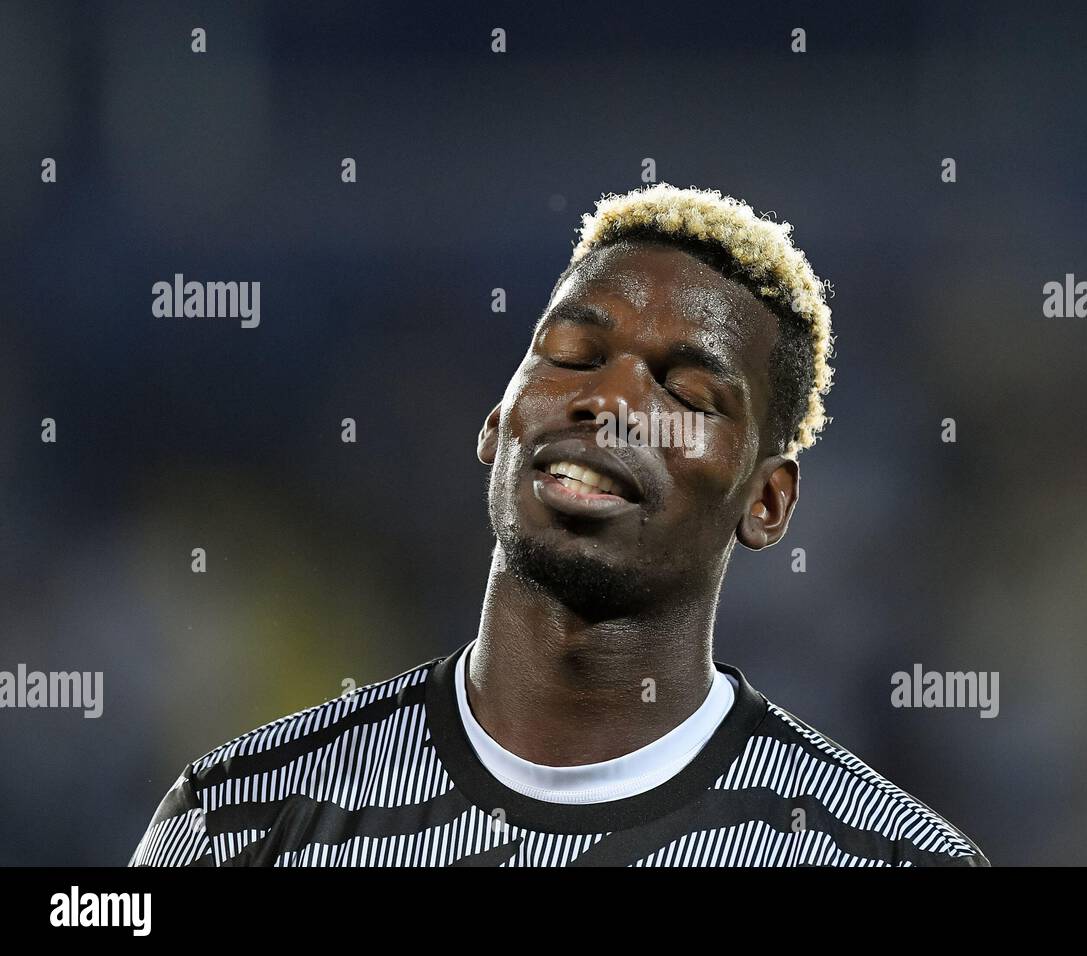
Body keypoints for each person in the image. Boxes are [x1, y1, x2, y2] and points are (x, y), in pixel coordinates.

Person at [130, 183, 989, 867]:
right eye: (573, 357)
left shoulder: (880, 856)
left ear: (767, 502)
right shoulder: (240, 822)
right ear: (497, 422)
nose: (610, 403)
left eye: (687, 394)